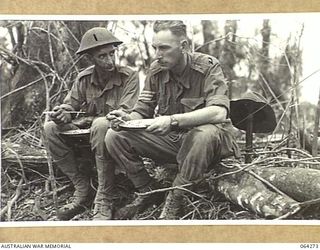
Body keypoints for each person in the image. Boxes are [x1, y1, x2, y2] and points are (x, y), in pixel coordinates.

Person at [105, 20, 240, 220]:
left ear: (184, 46)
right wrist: (126, 119)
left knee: (204, 133)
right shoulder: (156, 70)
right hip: (177, 142)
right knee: (114, 135)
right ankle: (147, 191)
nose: (158, 55)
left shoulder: (208, 66)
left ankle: (177, 196)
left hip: (211, 146)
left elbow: (219, 113)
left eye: (164, 48)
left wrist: (172, 120)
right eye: (155, 48)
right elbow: (142, 110)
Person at [43, 27, 139, 220]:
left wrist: (93, 119)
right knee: (50, 128)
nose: (109, 60)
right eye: (102, 56)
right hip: (89, 138)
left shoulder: (129, 77)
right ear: (91, 59)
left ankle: (104, 196)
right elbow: (71, 105)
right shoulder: (84, 78)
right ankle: (82, 187)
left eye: (112, 53)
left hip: (118, 139)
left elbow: (125, 114)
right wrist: (63, 113)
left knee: (102, 124)